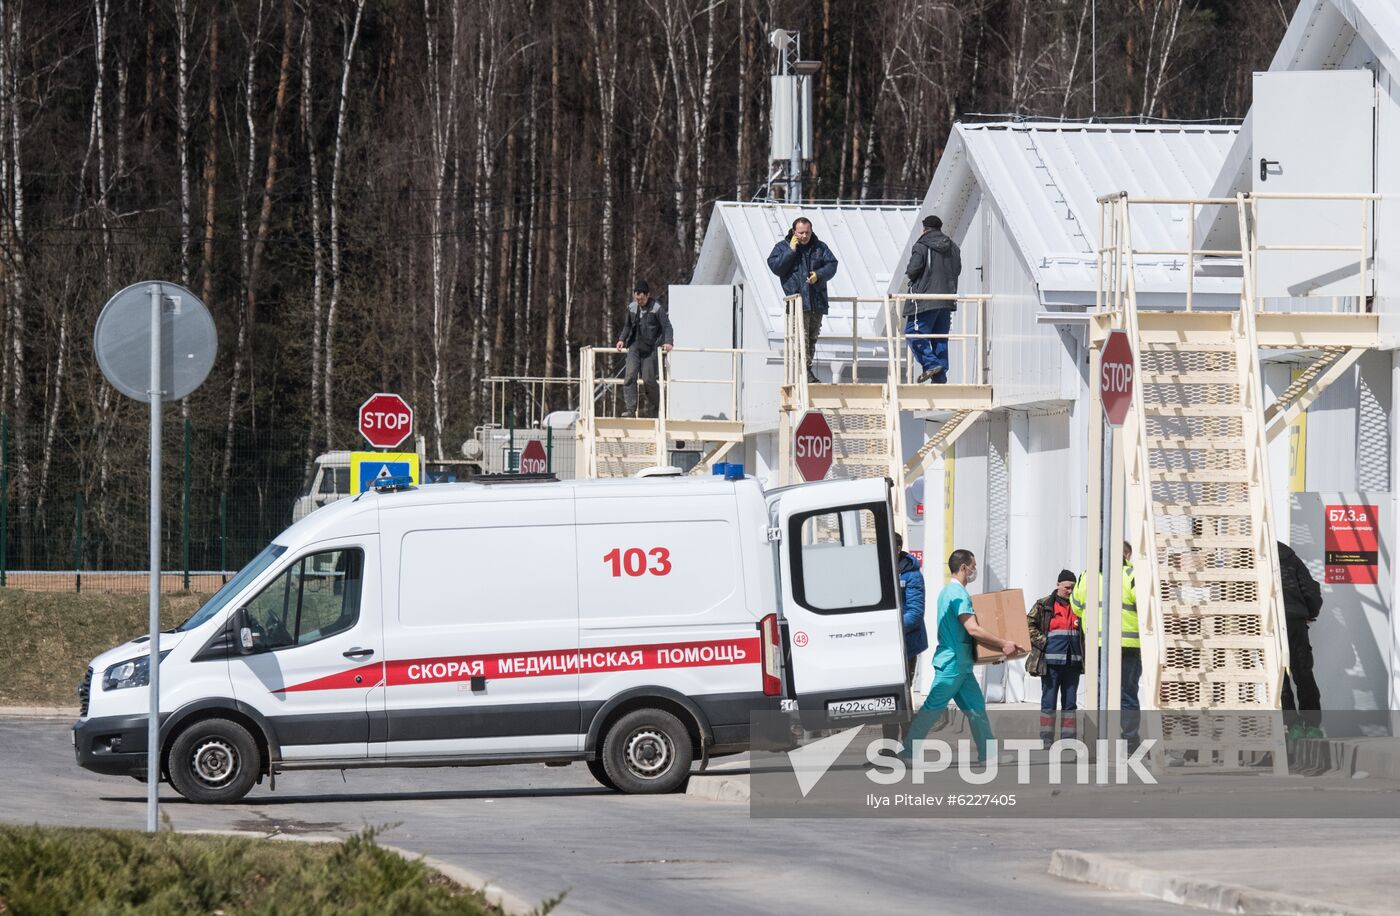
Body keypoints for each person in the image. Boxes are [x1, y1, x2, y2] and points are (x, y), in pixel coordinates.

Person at [903, 549, 1022, 762]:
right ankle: (908, 752)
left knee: (976, 709)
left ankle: (989, 754)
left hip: (961, 663)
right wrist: (1003, 644)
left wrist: (989, 653)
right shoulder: (958, 594)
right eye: (973, 566)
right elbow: (973, 629)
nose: (975, 570)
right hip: (953, 663)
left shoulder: (947, 592)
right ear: (964, 567)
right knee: (932, 708)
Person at [1071, 541, 1139, 749]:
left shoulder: (1085, 577)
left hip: (1096, 645)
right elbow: (1144, 604)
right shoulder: (1130, 575)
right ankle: (1130, 743)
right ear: (1124, 556)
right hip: (1128, 645)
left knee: (1098, 694)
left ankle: (1097, 742)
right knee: (1127, 695)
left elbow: (1076, 608)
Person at [766, 217, 839, 383]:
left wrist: (818, 275)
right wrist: (791, 251)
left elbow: (832, 265)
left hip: (816, 300)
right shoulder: (782, 247)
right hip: (797, 301)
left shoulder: (820, 247)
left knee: (812, 339)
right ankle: (804, 373)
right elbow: (776, 267)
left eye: (807, 232)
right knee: (801, 338)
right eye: (801, 233)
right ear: (794, 232)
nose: (804, 236)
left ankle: (806, 370)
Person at [1026, 569, 1084, 748]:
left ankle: (1068, 740)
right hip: (1050, 664)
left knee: (1070, 704)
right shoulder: (1044, 605)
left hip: (1072, 662)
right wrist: (1044, 641)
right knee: (1049, 702)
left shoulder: (1079, 606)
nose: (1069, 591)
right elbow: (1028, 624)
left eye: (1073, 588)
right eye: (1067, 587)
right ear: (1058, 585)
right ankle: (1046, 740)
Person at [902, 214, 962, 384]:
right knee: (939, 337)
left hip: (924, 299)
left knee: (913, 333)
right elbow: (957, 270)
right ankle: (940, 376)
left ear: (925, 228)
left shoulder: (922, 245)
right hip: (946, 299)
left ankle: (930, 365)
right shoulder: (953, 247)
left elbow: (913, 269)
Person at [1277, 541, 1324, 739]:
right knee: (1303, 672)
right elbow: (1310, 591)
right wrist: (1309, 612)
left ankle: (1292, 725)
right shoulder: (1289, 557)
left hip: (1267, 624)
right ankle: (1312, 726)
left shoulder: (1248, 558)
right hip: (1294, 620)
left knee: (1279, 677)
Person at [884, 533, 926, 742]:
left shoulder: (911, 574)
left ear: (898, 548)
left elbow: (915, 613)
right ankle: (889, 749)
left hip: (906, 644)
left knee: (902, 695)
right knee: (888, 697)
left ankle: (909, 745)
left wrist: (892, 631)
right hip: (886, 645)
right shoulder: (880, 569)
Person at [614, 281, 674, 418]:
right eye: (637, 298)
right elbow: (627, 326)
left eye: (641, 298)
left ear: (648, 295)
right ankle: (630, 409)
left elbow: (667, 327)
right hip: (635, 346)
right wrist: (622, 339)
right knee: (629, 376)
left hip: (651, 348)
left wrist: (668, 342)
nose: (639, 301)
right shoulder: (632, 308)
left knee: (648, 380)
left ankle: (659, 409)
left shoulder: (657, 309)